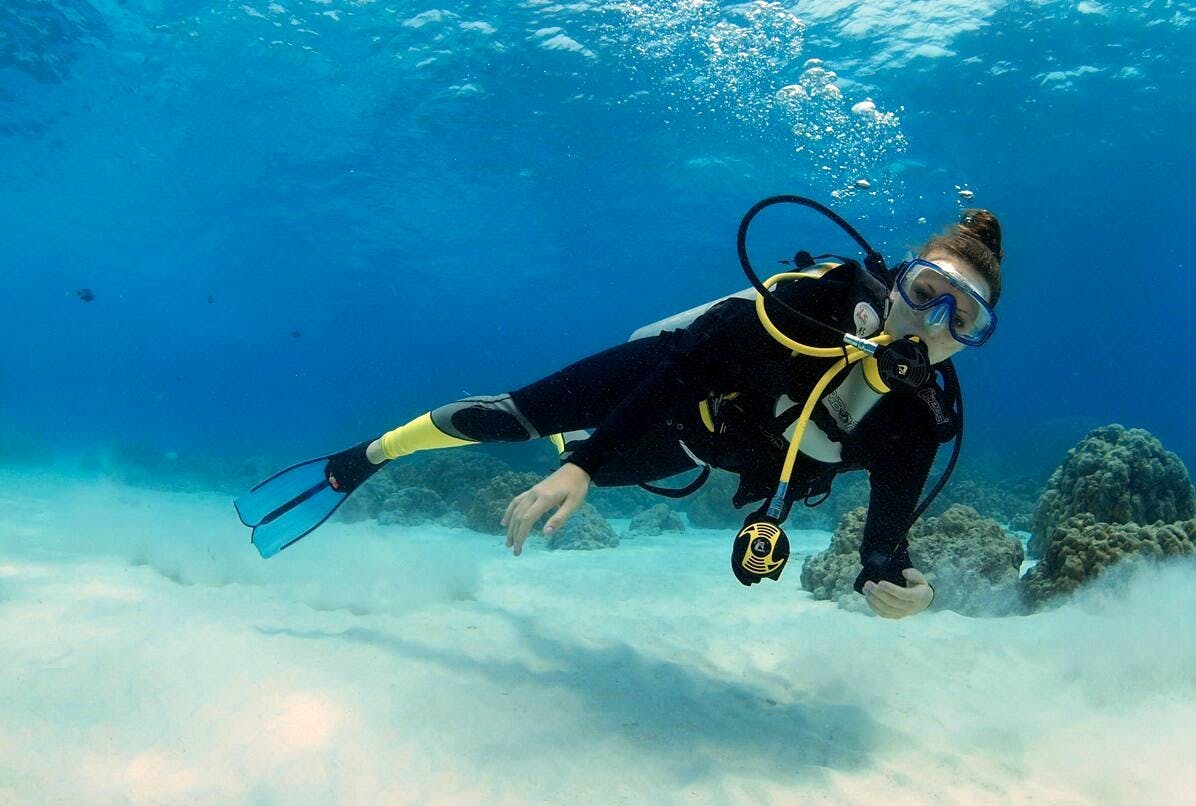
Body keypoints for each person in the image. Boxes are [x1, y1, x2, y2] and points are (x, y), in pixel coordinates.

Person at [236, 202, 1003, 621]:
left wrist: (896, 584)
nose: (932, 323)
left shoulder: (913, 425)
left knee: (585, 474)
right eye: (926, 291)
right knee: (520, 416)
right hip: (667, 382)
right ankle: (360, 462)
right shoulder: (804, 309)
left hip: (699, 452)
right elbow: (685, 366)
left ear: (971, 344)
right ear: (897, 279)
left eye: (962, 319)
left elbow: (884, 544)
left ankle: (575, 458)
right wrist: (583, 460)